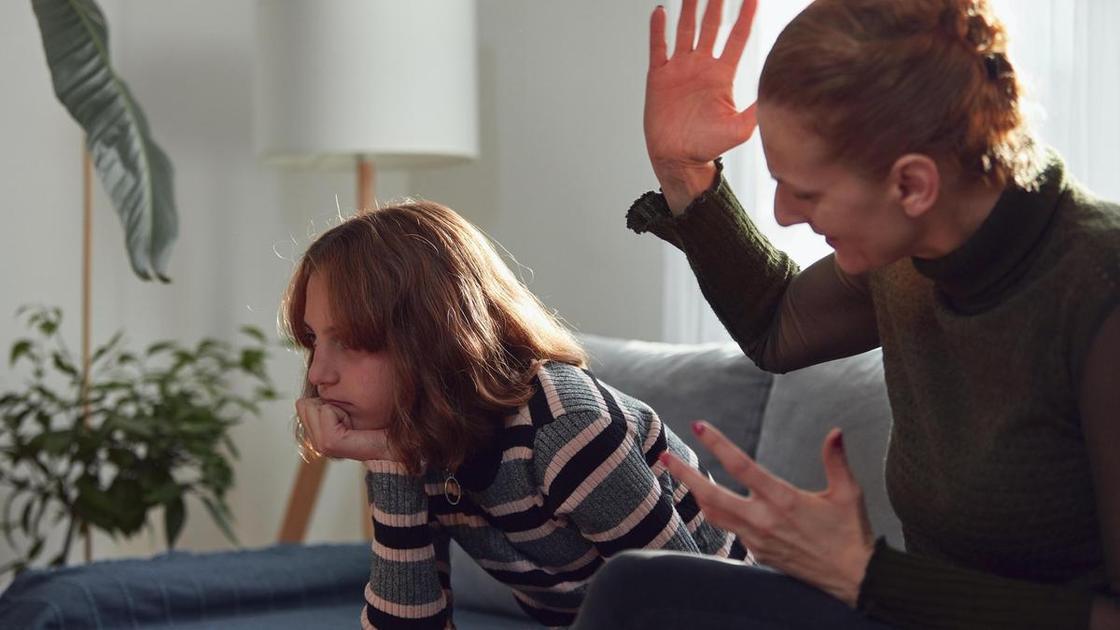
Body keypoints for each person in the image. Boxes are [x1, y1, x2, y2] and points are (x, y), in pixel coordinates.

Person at [572, 0, 1120, 628]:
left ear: (912, 185)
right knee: (640, 590)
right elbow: (778, 324)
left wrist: (868, 576)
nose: (782, 214)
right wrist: (685, 172)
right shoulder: (910, 249)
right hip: (904, 609)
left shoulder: (1097, 290)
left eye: (806, 192)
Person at [280, 199, 747, 628]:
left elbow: (686, 612)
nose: (318, 373)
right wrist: (390, 459)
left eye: (349, 341)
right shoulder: (414, 436)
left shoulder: (566, 429)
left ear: (430, 333)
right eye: (314, 339)